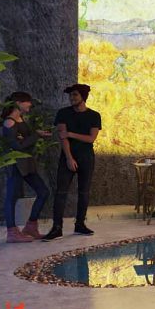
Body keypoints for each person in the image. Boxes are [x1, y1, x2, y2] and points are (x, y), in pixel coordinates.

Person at [43, 84, 101, 241]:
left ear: (83, 97)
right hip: (68, 156)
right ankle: (57, 227)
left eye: (75, 95)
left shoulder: (94, 116)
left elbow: (91, 138)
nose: (72, 98)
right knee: (61, 192)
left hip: (87, 157)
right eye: (70, 96)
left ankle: (80, 224)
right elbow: (63, 137)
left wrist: (70, 133)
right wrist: (69, 158)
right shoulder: (63, 113)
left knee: (84, 192)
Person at [1, 92, 51, 243]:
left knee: (43, 192)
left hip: (27, 163)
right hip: (16, 163)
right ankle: (12, 232)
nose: (30, 104)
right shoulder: (9, 122)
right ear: (18, 103)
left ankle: (31, 226)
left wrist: (35, 135)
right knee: (12, 196)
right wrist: (35, 135)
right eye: (28, 102)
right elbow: (18, 146)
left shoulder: (21, 119)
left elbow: (25, 140)